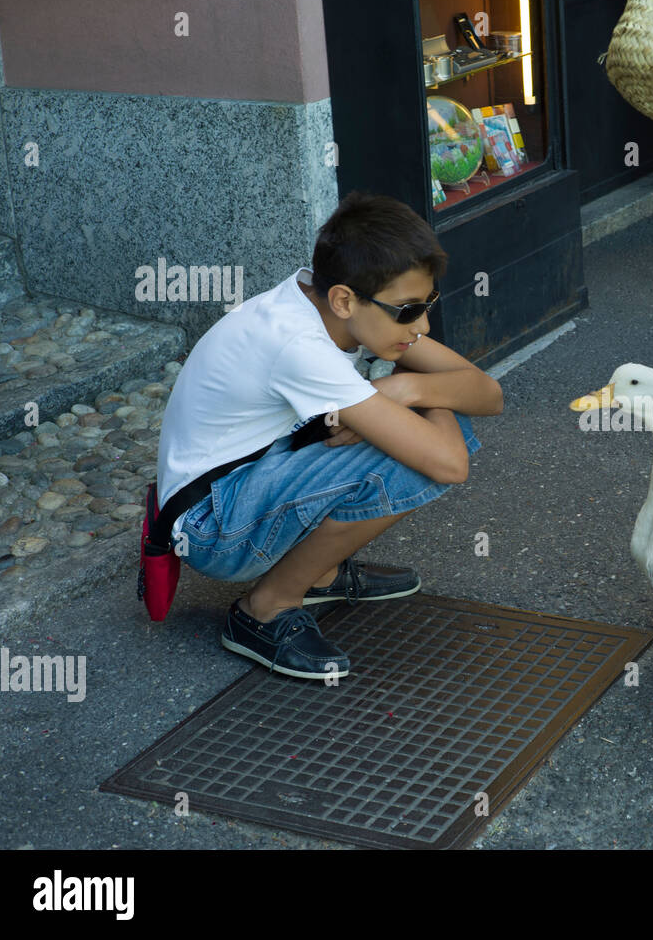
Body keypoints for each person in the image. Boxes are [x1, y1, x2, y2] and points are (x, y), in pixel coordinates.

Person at [155, 192, 503, 679]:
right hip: (210, 525)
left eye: (428, 303)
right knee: (411, 454)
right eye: (407, 310)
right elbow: (450, 464)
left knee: (419, 423)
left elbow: (489, 394)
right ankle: (265, 607)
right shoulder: (299, 344)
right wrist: (416, 395)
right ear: (344, 299)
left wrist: (406, 386)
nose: (421, 325)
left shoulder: (328, 301)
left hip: (244, 479)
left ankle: (320, 574)